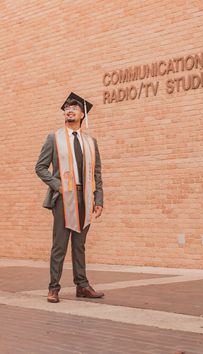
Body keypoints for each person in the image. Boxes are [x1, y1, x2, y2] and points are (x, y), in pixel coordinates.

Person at [35, 92, 104, 303]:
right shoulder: (54, 138)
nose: (70, 110)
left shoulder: (90, 142)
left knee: (79, 245)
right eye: (67, 108)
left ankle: (82, 285)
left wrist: (99, 199)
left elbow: (97, 173)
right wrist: (59, 186)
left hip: (86, 197)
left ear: (82, 114)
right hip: (64, 199)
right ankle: (53, 288)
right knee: (59, 245)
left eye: (74, 108)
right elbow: (40, 168)